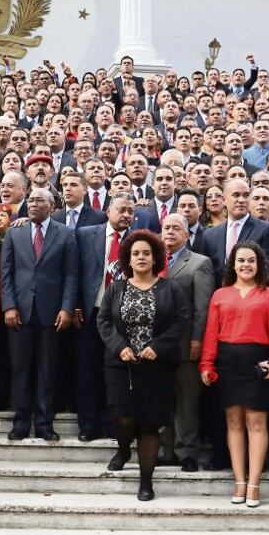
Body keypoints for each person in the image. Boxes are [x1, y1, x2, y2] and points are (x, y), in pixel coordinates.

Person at [97, 230, 189, 501]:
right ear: (128, 257)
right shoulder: (116, 288)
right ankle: (124, 449)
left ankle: (146, 482)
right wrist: (119, 347)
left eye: (146, 253)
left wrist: (158, 347)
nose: (141, 257)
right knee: (123, 418)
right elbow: (103, 322)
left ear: (155, 257)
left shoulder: (171, 289)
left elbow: (181, 321)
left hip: (156, 366)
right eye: (136, 253)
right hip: (120, 364)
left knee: (149, 425)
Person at [199, 242, 269, 508]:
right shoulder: (220, 295)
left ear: (259, 265)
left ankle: (255, 483)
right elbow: (211, 333)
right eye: (240, 260)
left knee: (256, 423)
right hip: (227, 361)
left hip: (257, 360)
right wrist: (206, 364)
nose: (245, 265)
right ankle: (239, 481)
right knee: (233, 423)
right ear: (233, 264)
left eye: (251, 260)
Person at [0, 187, 79, 441]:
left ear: (52, 206)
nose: (33, 204)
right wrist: (9, 305)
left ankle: (44, 423)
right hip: (19, 311)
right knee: (19, 369)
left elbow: (71, 275)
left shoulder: (66, 234)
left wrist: (67, 308)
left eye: (39, 201)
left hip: (51, 313)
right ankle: (21, 422)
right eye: (30, 200)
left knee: (48, 370)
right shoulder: (14, 232)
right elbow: (6, 273)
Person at [74, 192, 138, 443]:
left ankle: (114, 425)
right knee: (87, 371)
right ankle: (88, 425)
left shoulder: (138, 239)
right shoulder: (85, 234)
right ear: (108, 210)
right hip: (91, 312)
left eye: (130, 211)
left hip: (123, 318)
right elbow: (74, 271)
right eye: (121, 210)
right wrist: (76, 305)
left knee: (117, 373)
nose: (126, 215)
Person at [159, 213, 215, 472]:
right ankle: (165, 449)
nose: (170, 231)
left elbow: (202, 308)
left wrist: (197, 340)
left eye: (176, 228)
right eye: (166, 227)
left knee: (187, 401)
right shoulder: (152, 260)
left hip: (185, 345)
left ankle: (187, 452)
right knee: (163, 398)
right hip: (157, 346)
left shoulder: (199, 263)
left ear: (187, 234)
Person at [198, 179, 269, 288]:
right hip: (220, 299)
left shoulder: (266, 230)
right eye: (236, 195)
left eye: (246, 195)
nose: (241, 200)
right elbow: (206, 274)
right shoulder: (209, 235)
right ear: (224, 200)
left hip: (253, 297)